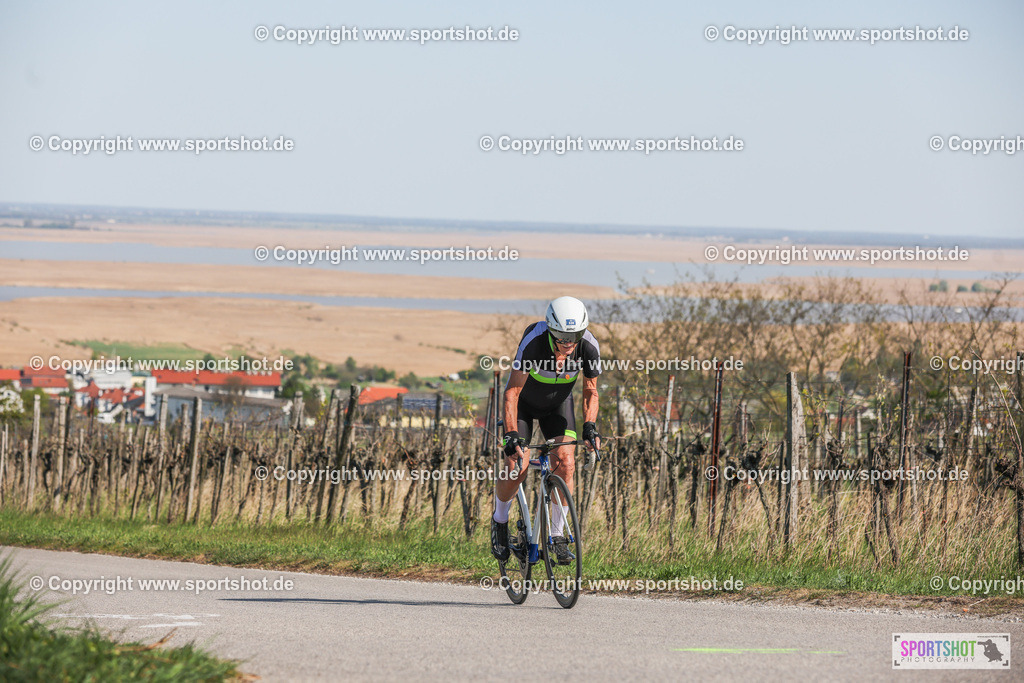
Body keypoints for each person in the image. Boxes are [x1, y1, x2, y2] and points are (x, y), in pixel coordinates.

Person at [491, 296, 601, 564]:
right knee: (519, 465)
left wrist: (589, 426)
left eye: (573, 336)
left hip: (558, 405)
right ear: (551, 329)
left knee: (566, 462)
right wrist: (511, 434)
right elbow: (512, 393)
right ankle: (499, 520)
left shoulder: (588, 347)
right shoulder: (534, 342)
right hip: (524, 406)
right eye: (562, 336)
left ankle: (556, 535)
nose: (568, 342)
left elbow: (591, 391)